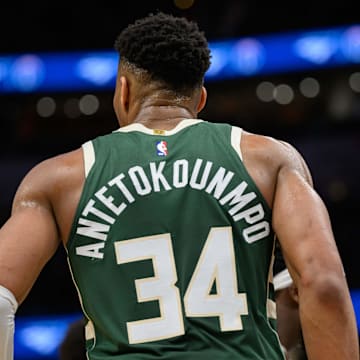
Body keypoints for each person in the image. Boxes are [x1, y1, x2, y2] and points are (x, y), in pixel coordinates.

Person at [0, 11, 358, 360]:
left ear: (122, 91)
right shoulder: (270, 160)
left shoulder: (59, 179)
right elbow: (323, 285)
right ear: (200, 100)